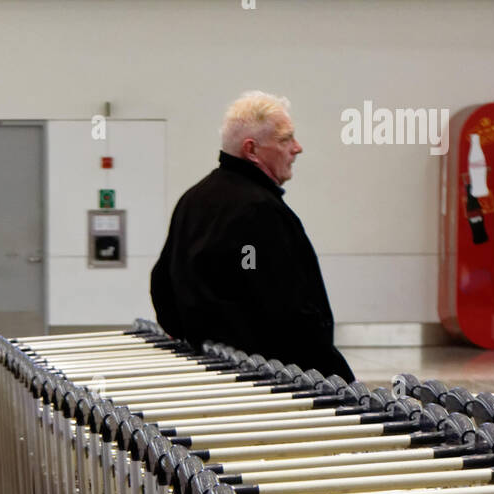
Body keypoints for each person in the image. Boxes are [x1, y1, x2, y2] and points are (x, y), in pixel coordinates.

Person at [150, 91, 354, 382]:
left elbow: (162, 283)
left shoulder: (194, 199)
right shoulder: (259, 210)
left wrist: (197, 344)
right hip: (269, 378)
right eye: (286, 139)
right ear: (252, 150)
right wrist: (329, 374)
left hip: (212, 369)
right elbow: (286, 306)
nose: (297, 148)